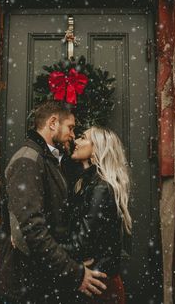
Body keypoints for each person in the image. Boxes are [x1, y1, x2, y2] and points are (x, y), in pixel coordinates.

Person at [0, 101, 107, 304]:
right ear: (53, 123)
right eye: (71, 128)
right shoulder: (27, 160)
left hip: (42, 282)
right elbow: (32, 231)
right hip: (25, 285)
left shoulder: (51, 159)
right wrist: (74, 272)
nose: (73, 135)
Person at [62, 126, 132, 304]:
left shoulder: (100, 188)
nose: (75, 141)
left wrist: (46, 250)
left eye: (83, 138)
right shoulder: (85, 183)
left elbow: (82, 243)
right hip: (94, 281)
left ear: (97, 149)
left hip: (98, 285)